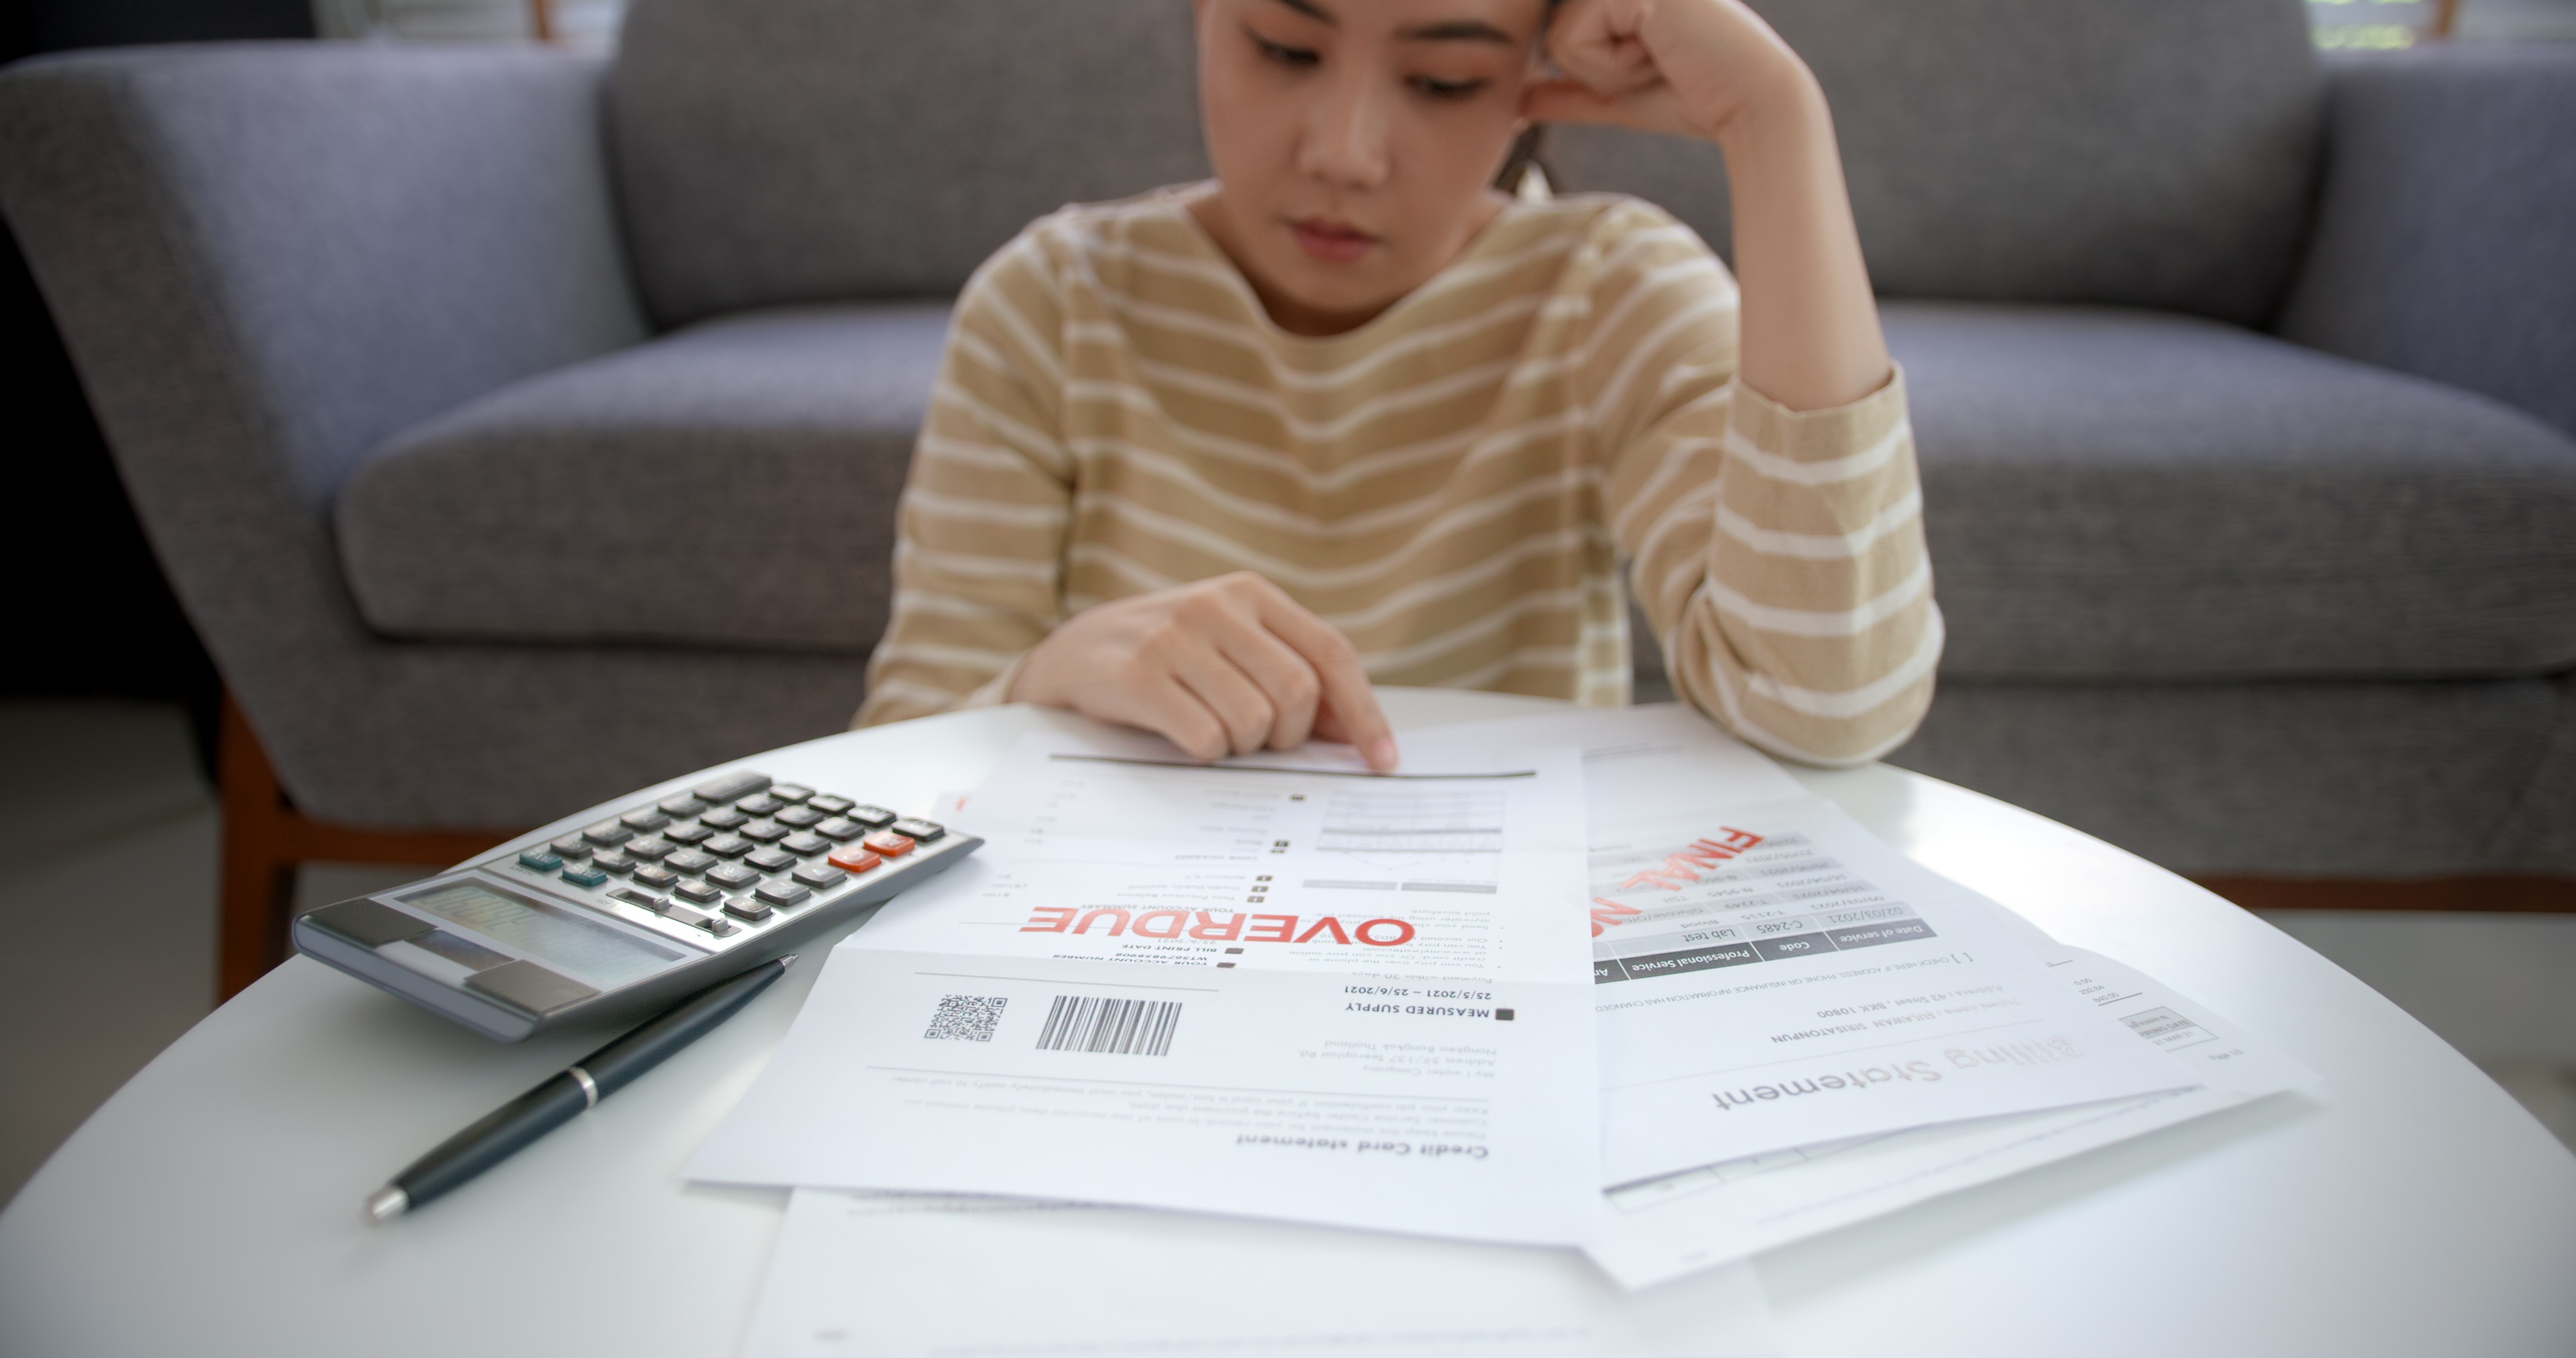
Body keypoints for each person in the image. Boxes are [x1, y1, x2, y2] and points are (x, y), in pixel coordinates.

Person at [855, 0, 1937, 773]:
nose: (1343, 154)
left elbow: (1828, 705)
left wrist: (1774, 120)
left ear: (1541, 69)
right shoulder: (1054, 302)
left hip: (1486, 971)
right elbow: (891, 766)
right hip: (1127, 948)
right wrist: (1048, 673)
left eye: (1442, 79)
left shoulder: (1606, 291)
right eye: (1284, 47)